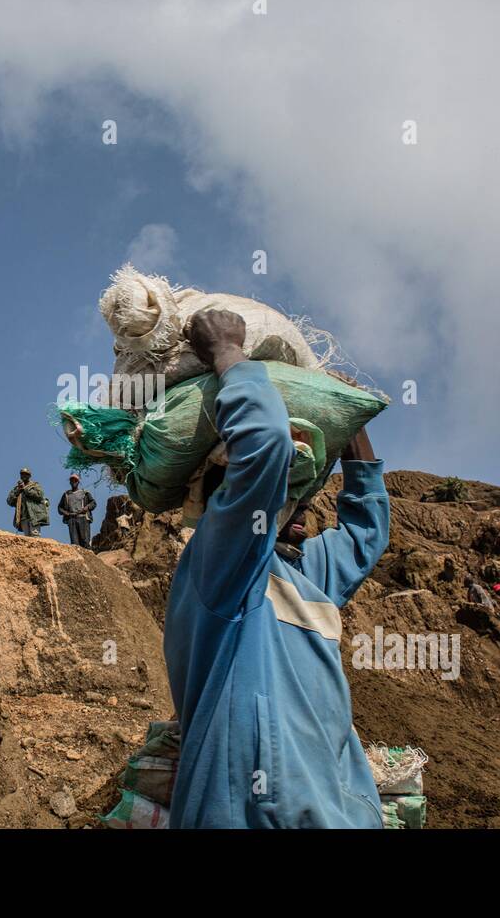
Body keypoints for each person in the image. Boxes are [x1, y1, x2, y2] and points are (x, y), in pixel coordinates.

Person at [163, 309, 390, 829]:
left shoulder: (307, 578)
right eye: (279, 493)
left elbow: (366, 532)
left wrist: (352, 427)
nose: (298, 504)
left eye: (298, 494)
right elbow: (264, 444)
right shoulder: (222, 566)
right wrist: (226, 354)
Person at [57, 473, 97, 548]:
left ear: (78, 482)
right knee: (75, 544)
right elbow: (59, 508)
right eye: (72, 480)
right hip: (72, 519)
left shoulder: (85, 493)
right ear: (70, 482)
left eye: (75, 480)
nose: (73, 482)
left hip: (83, 518)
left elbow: (93, 503)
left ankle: (88, 558)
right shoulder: (66, 494)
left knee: (85, 542)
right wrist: (67, 513)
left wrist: (87, 507)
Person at [6, 468, 49, 537]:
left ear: (29, 476)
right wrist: (18, 491)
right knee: (27, 538)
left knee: (35, 536)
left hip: (34, 516)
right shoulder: (17, 488)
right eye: (22, 474)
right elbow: (9, 501)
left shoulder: (35, 486)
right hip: (23, 517)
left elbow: (40, 495)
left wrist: (25, 489)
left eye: (26, 474)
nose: (24, 476)